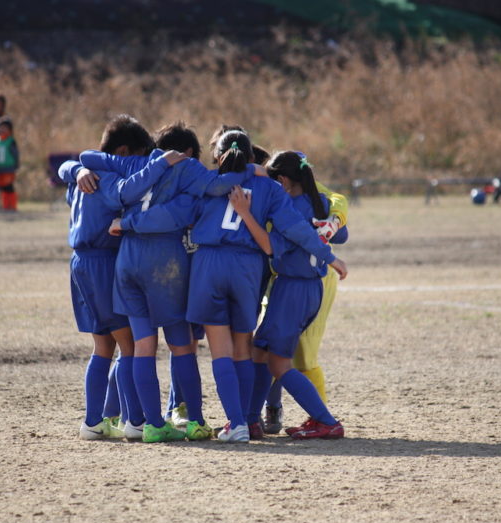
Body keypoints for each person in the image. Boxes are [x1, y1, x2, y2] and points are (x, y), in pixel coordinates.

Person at [79, 121, 265, 443]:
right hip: (164, 262)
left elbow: (87, 156)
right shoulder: (189, 168)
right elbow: (219, 185)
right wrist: (250, 170)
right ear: (186, 152)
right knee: (181, 344)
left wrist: (76, 171)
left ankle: (150, 424)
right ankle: (195, 421)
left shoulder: (134, 162)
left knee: (142, 345)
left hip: (127, 260)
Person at [182, 130, 347, 442]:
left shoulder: (206, 181)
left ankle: (238, 423)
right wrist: (330, 256)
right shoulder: (272, 188)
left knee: (222, 352)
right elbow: (296, 228)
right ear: (252, 157)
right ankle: (248, 420)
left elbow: (182, 214)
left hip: (209, 264)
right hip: (248, 267)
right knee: (247, 349)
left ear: (217, 156)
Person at [58, 121, 189, 441]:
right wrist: (159, 165)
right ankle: (137, 421)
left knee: (103, 346)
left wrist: (74, 168)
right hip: (104, 262)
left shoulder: (83, 175)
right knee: (130, 345)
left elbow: (67, 168)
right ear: (123, 152)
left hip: (79, 263)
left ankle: (93, 422)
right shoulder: (107, 179)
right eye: (138, 157)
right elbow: (129, 191)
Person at [241, 151, 347, 439]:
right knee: (260, 351)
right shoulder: (320, 201)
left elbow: (270, 246)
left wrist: (245, 214)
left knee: (278, 363)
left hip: (293, 289)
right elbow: (342, 233)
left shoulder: (290, 207)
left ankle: (326, 421)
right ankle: (250, 421)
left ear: (283, 181)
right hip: (309, 288)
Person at [0, 118, 19, 211]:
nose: (2, 129)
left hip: (8, 168)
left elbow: (15, 154)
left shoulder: (11, 141)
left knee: (9, 187)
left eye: (5, 128)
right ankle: (4, 206)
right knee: (1, 188)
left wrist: (16, 165)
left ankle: (12, 206)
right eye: (1, 127)